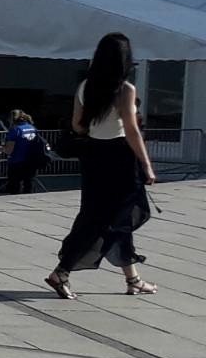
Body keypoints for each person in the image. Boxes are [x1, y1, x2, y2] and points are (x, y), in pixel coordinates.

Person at [47, 32, 158, 299]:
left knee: (104, 216)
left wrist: (98, 122)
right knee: (112, 219)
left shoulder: (86, 86)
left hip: (94, 156)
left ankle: (133, 280)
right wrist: (147, 164)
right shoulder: (125, 90)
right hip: (120, 157)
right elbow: (131, 131)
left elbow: (77, 125)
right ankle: (61, 271)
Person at [1, 109, 44, 195]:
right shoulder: (32, 128)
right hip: (31, 160)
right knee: (28, 185)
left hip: (17, 161)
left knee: (15, 187)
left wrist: (1, 149)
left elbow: (9, 150)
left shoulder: (15, 130)